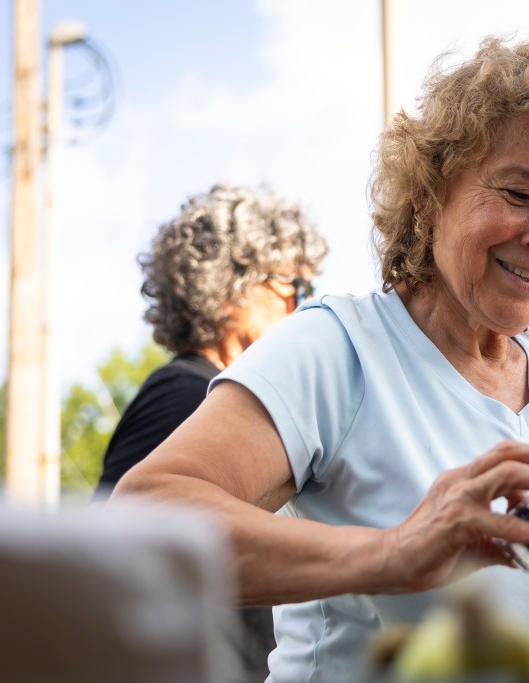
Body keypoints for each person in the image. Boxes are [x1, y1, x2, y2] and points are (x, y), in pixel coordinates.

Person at [111, 31, 529, 682]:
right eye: (520, 193)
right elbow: (143, 525)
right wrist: (394, 550)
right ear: (431, 196)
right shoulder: (338, 346)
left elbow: (520, 615)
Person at [95, 182, 329, 682]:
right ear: (230, 288)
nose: (304, 310)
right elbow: (109, 567)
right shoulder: (184, 395)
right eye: (295, 289)